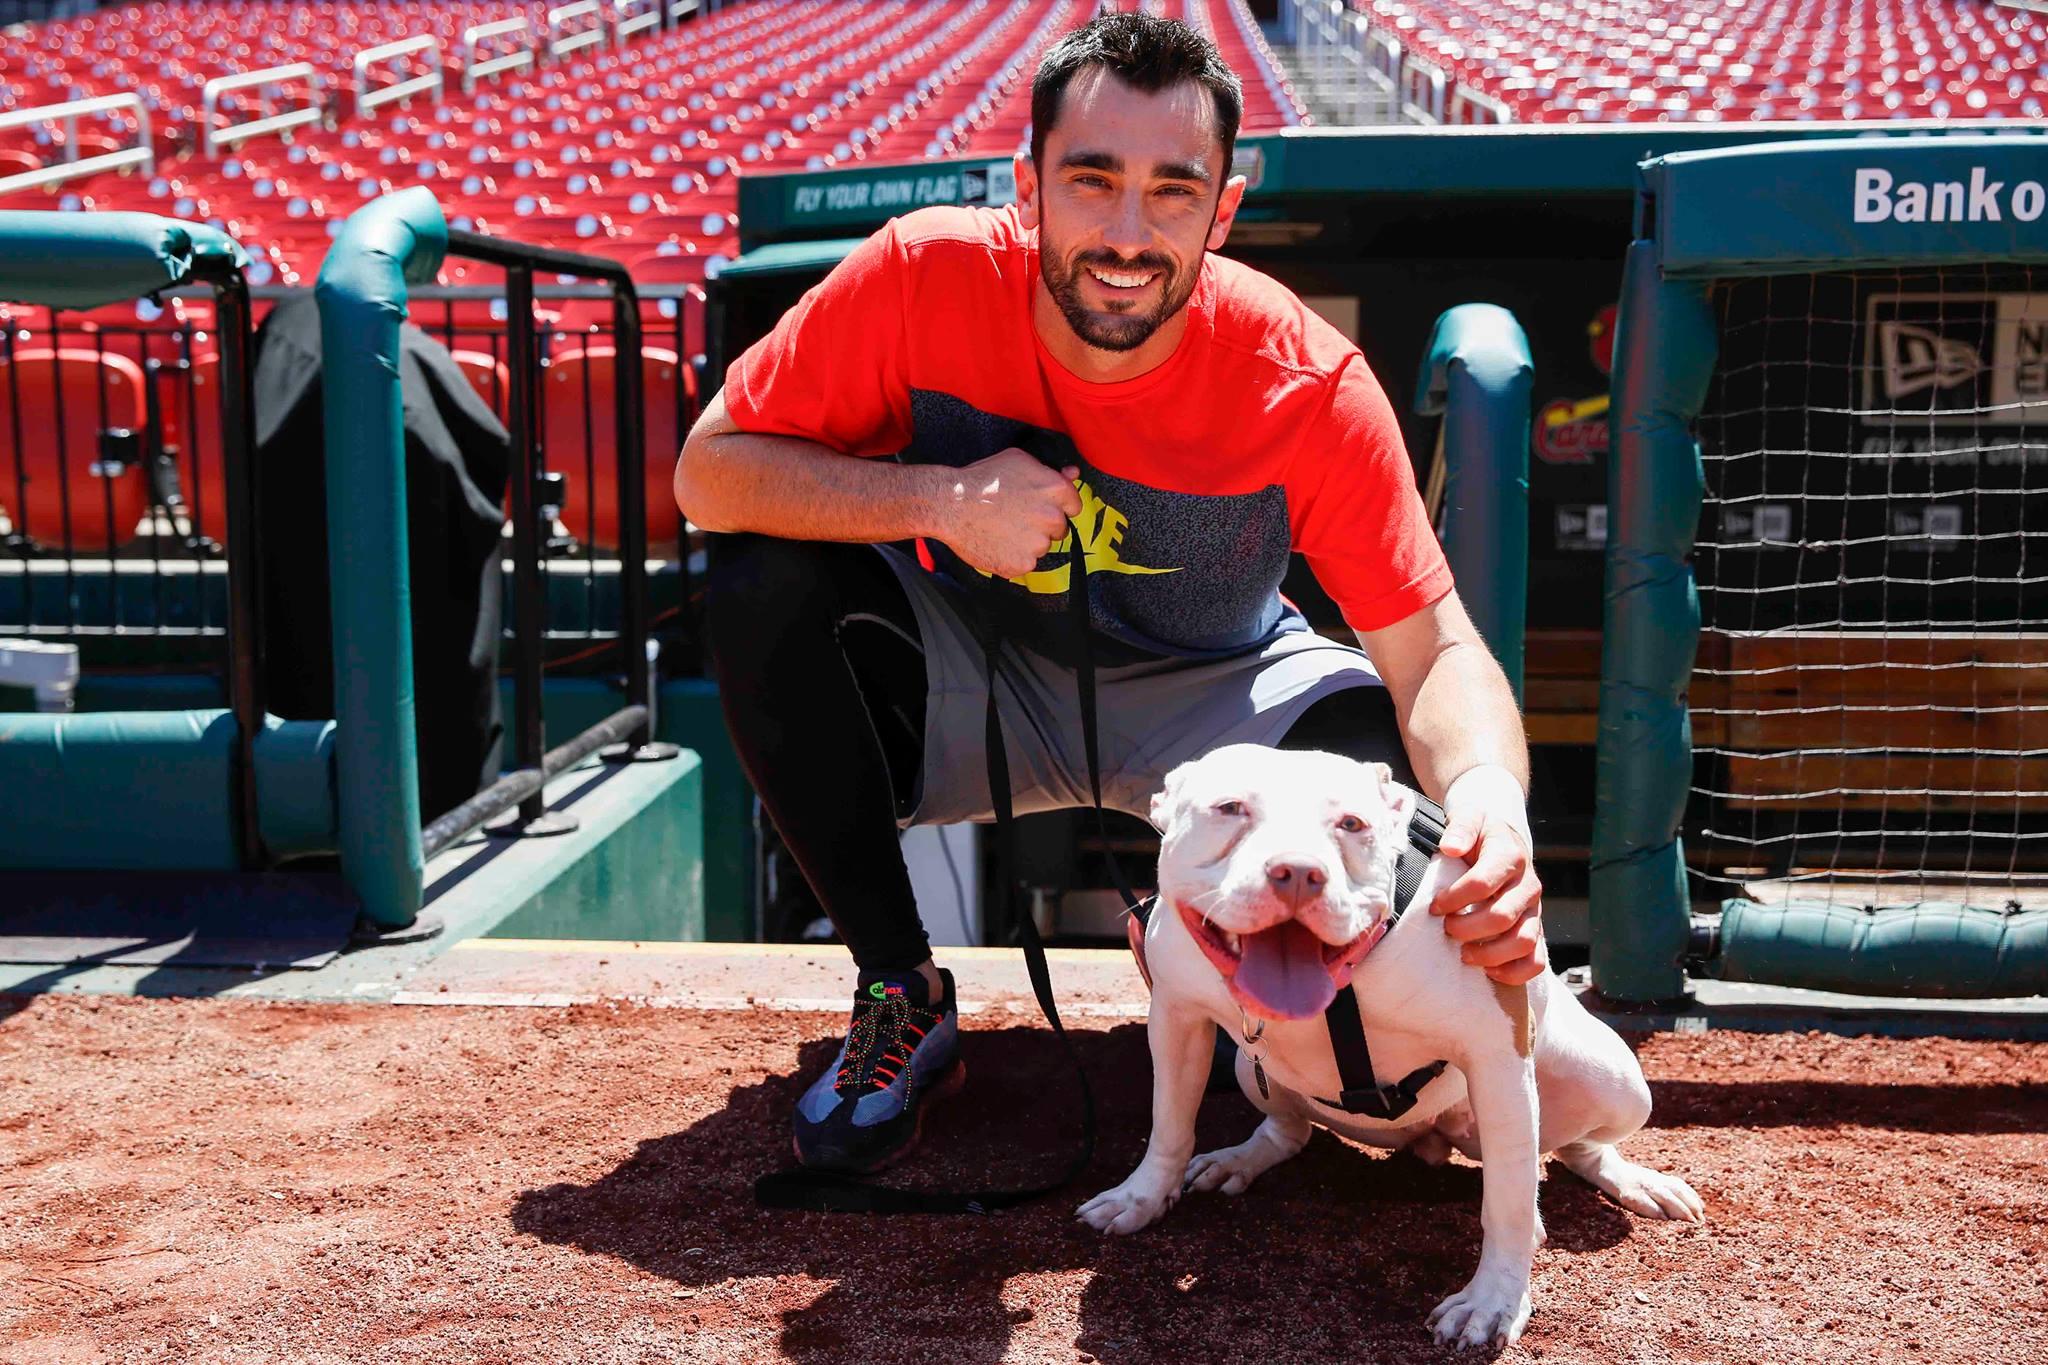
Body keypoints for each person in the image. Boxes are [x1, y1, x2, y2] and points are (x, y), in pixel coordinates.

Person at [675, 12, 1546, 1175]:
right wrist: (941, 499)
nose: (1127, 234)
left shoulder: (1303, 377)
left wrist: (1492, 805)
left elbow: (1432, 651)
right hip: (975, 667)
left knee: (1373, 780)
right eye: (1091, 180)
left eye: (1171, 191)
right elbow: (708, 473)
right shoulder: (919, 274)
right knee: (760, 581)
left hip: (1218, 686)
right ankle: (899, 989)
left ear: (1221, 211)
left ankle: (1234, 979)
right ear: (1026, 187)